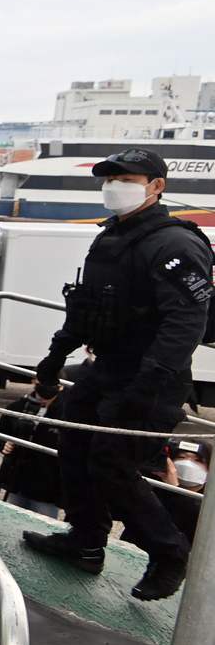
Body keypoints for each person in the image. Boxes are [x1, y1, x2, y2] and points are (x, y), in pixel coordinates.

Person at [24, 149, 213, 601]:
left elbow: (184, 324)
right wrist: (54, 359)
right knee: (71, 441)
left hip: (152, 380)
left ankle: (169, 554)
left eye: (126, 178)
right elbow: (86, 308)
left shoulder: (176, 244)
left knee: (113, 464)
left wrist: (145, 388)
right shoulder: (110, 238)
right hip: (106, 368)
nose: (113, 187)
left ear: (156, 186)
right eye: (108, 179)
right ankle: (86, 541)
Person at [0, 380, 68, 518]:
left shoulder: (67, 414)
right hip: (15, 480)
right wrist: (5, 445)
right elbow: (2, 433)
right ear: (34, 382)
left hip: (47, 487)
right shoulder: (17, 407)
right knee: (10, 519)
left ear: (61, 386)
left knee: (43, 525)